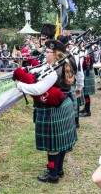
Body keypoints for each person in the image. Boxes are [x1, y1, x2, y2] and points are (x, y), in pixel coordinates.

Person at [16, 40, 77, 183]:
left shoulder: (55, 71)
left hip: (54, 110)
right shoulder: (57, 65)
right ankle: (58, 169)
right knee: (61, 142)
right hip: (64, 106)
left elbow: (38, 89)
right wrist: (28, 71)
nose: (45, 54)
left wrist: (20, 85)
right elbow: (39, 69)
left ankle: (52, 174)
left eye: (48, 52)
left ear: (55, 55)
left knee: (52, 145)